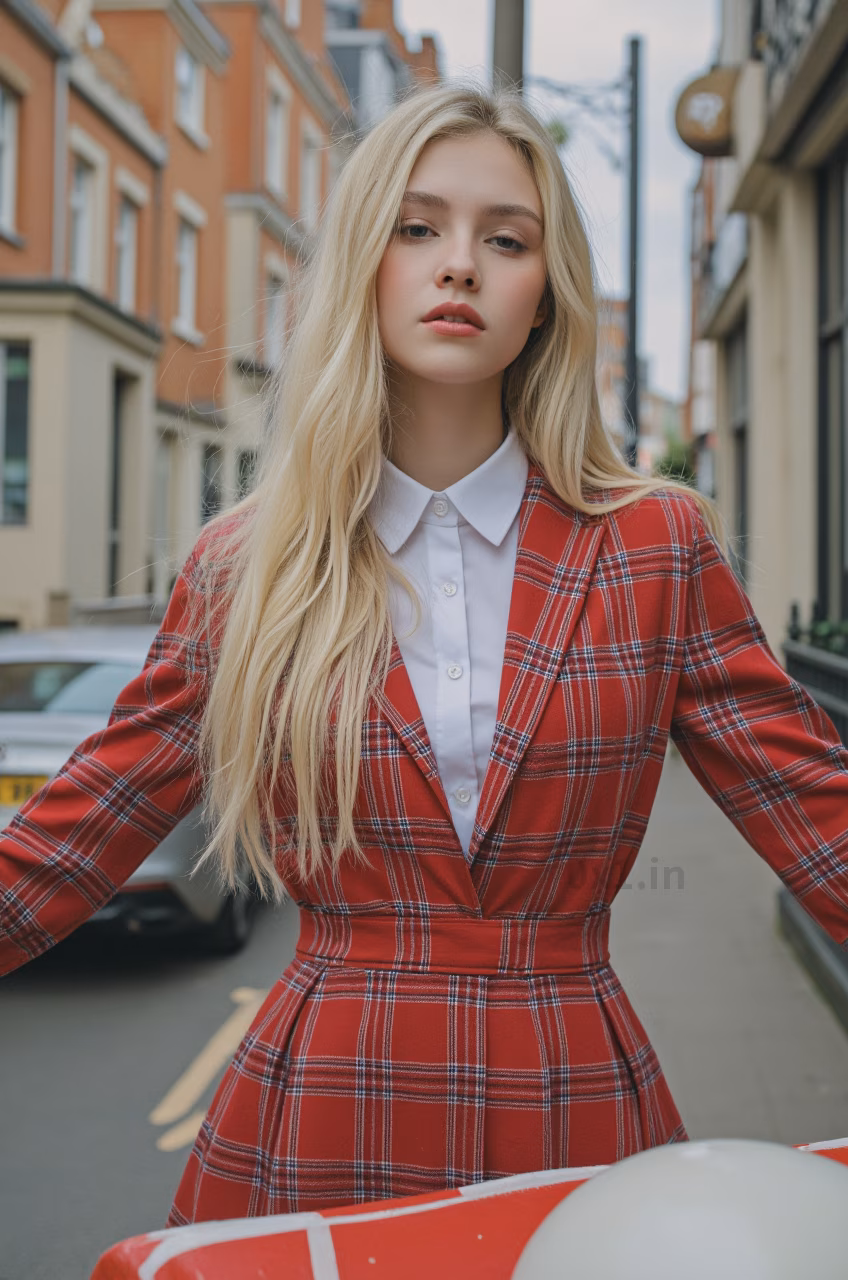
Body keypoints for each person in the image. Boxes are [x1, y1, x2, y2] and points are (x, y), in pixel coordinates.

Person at [2, 82, 847, 1227]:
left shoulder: (652, 544)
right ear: (363, 262)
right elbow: (69, 841)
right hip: (317, 1107)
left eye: (505, 239)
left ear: (544, 297)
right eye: (416, 227)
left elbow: (816, 815)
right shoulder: (244, 566)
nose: (459, 265)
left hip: (571, 1092)